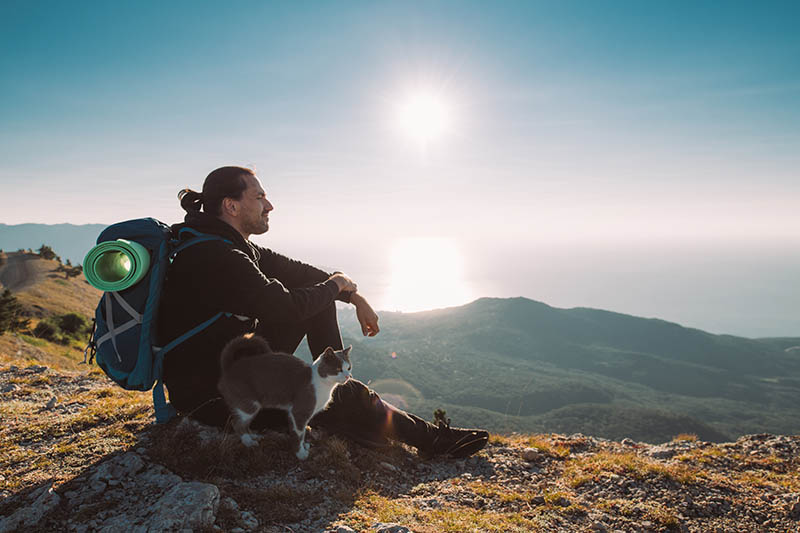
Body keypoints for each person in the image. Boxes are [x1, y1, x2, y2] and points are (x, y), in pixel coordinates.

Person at [157, 165, 488, 458]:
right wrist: (336, 285)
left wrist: (354, 296)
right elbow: (285, 308)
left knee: (319, 306)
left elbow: (307, 276)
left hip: (227, 372)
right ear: (231, 205)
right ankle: (429, 439)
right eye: (259, 197)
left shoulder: (223, 244)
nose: (269, 205)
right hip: (217, 400)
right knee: (317, 370)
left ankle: (345, 401)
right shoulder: (218, 256)